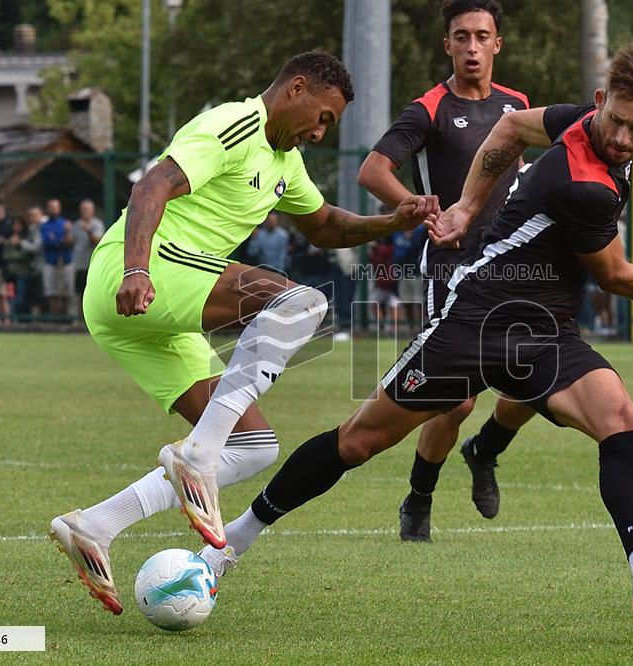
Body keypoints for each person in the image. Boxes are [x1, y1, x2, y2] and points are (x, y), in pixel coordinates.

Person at [217, 42, 633, 626]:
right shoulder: (585, 181)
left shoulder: (582, 125)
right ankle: (234, 540)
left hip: (546, 331)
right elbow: (612, 275)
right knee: (358, 441)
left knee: (621, 418)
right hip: (479, 318)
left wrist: (465, 207)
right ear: (599, 102)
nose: (622, 137)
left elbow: (511, 127)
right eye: (615, 121)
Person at [48, 51, 438, 615]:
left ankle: (96, 526)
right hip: (141, 273)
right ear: (296, 88)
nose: (322, 132)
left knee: (256, 447)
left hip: (155, 315)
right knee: (299, 303)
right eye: (323, 116)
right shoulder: (234, 125)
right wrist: (135, 269)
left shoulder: (286, 163)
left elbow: (325, 226)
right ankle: (196, 456)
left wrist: (391, 220)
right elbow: (150, 187)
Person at [356, 0, 537, 542]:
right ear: (448, 45)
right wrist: (419, 205)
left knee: (539, 376)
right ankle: (419, 499)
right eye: (462, 36)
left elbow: (521, 172)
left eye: (483, 36)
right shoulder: (428, 108)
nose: (473, 46)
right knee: (455, 397)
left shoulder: (518, 106)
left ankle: (485, 452)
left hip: (513, 263)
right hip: (452, 265)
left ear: (497, 44)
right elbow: (373, 169)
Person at [40, 198, 75, 317]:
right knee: (51, 291)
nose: (53, 210)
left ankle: (64, 316)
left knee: (66, 291)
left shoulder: (65, 224)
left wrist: (63, 236)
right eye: (51, 207)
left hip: (66, 261)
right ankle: (54, 316)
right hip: (51, 262)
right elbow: (48, 242)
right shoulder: (44, 226)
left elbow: (69, 242)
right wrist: (61, 240)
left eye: (56, 207)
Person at [72, 199, 104, 319]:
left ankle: (91, 319)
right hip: (79, 265)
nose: (84, 212)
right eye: (83, 210)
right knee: (79, 293)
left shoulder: (97, 224)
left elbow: (98, 241)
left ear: (92, 211)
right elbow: (71, 242)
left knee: (92, 294)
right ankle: (80, 319)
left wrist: (88, 230)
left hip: (92, 265)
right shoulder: (76, 224)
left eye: (87, 209)